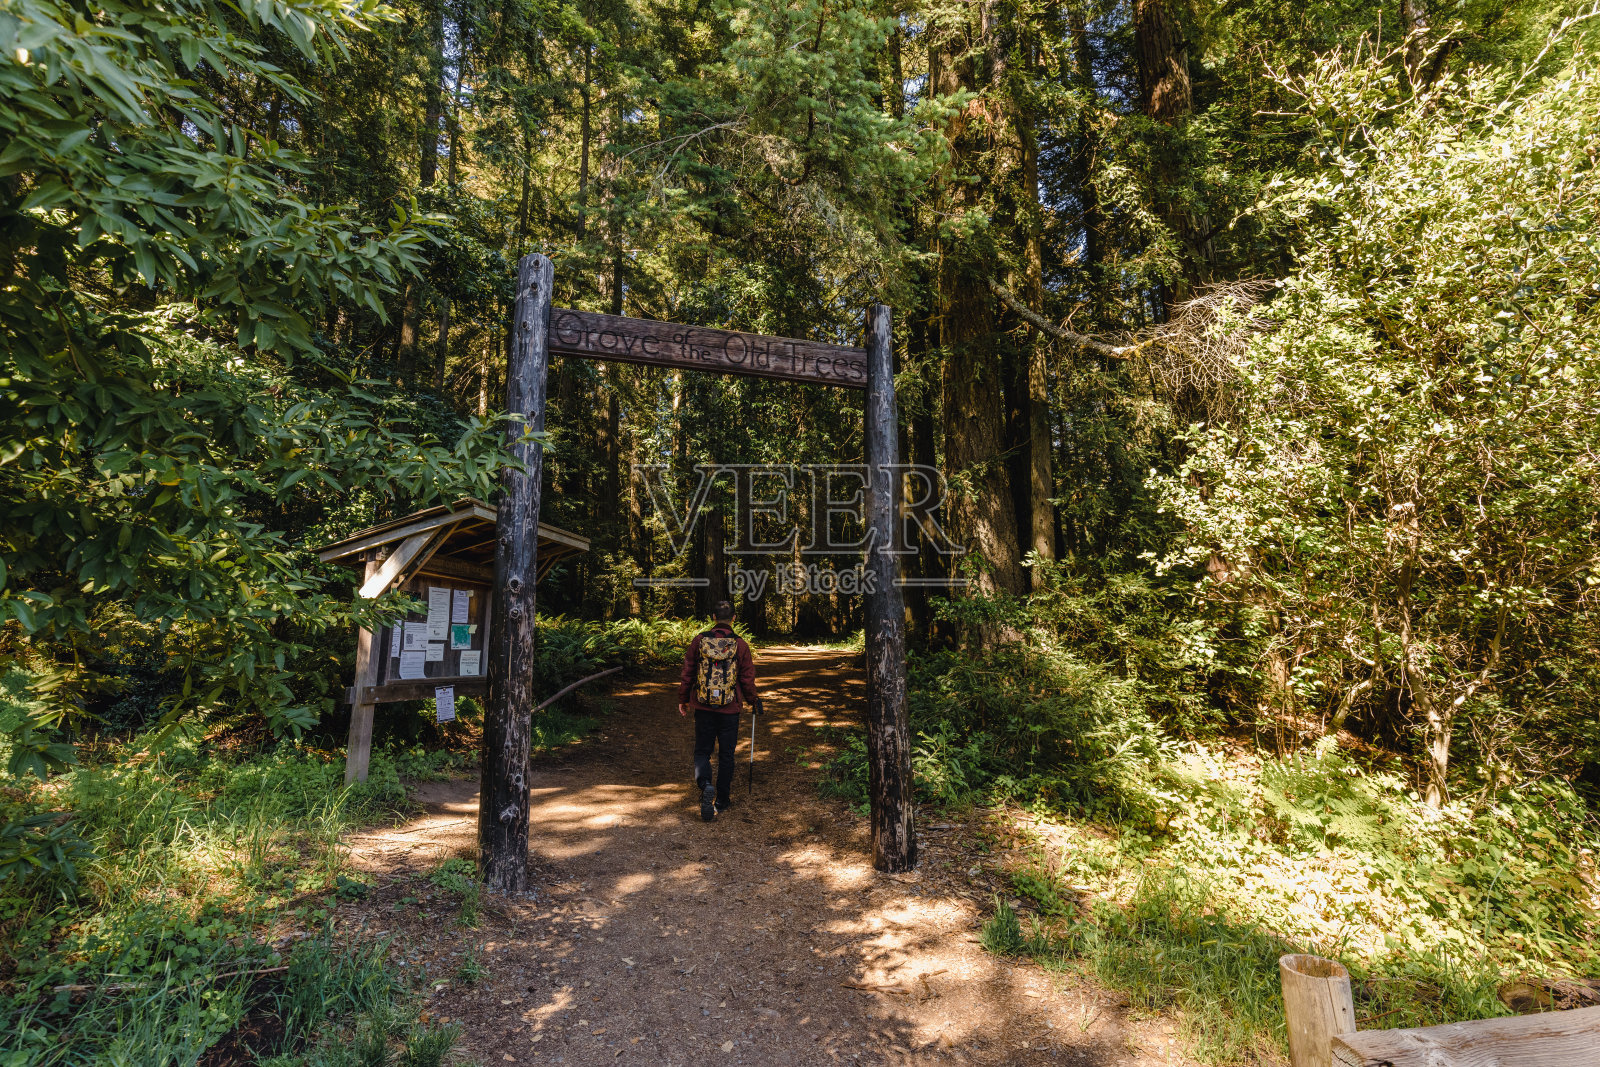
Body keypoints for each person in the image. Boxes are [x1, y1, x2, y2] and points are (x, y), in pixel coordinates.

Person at [678, 600, 762, 821]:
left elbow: (688, 671)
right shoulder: (740, 645)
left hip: (703, 706)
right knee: (726, 755)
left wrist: (684, 699)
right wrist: (753, 699)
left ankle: (705, 784)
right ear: (734, 618)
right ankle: (722, 800)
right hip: (730, 708)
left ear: (713, 617)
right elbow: (746, 677)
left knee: (702, 751)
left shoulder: (699, 641)